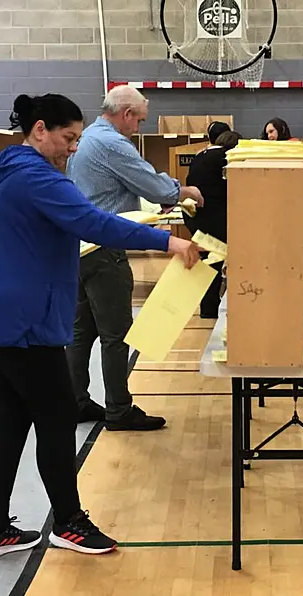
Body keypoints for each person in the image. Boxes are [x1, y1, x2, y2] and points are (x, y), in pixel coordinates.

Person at [0, 93, 200, 560]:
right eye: (68, 139)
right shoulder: (35, 176)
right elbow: (93, 221)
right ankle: (68, 522)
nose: (73, 148)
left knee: (7, 422)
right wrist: (167, 240)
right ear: (40, 129)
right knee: (56, 417)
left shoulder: (5, 166)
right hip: (20, 320)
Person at [65, 86, 204, 431]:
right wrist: (184, 191)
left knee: (81, 332)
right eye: (139, 120)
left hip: (78, 249)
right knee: (116, 334)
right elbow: (153, 186)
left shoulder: (87, 138)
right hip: (104, 250)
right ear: (126, 114)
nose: (139, 127)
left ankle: (75, 401)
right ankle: (118, 409)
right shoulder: (112, 143)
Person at [183, 130, 243, 318]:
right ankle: (212, 310)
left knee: (208, 264)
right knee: (217, 263)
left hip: (196, 217)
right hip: (215, 219)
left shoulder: (201, 155)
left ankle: (207, 309)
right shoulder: (225, 157)